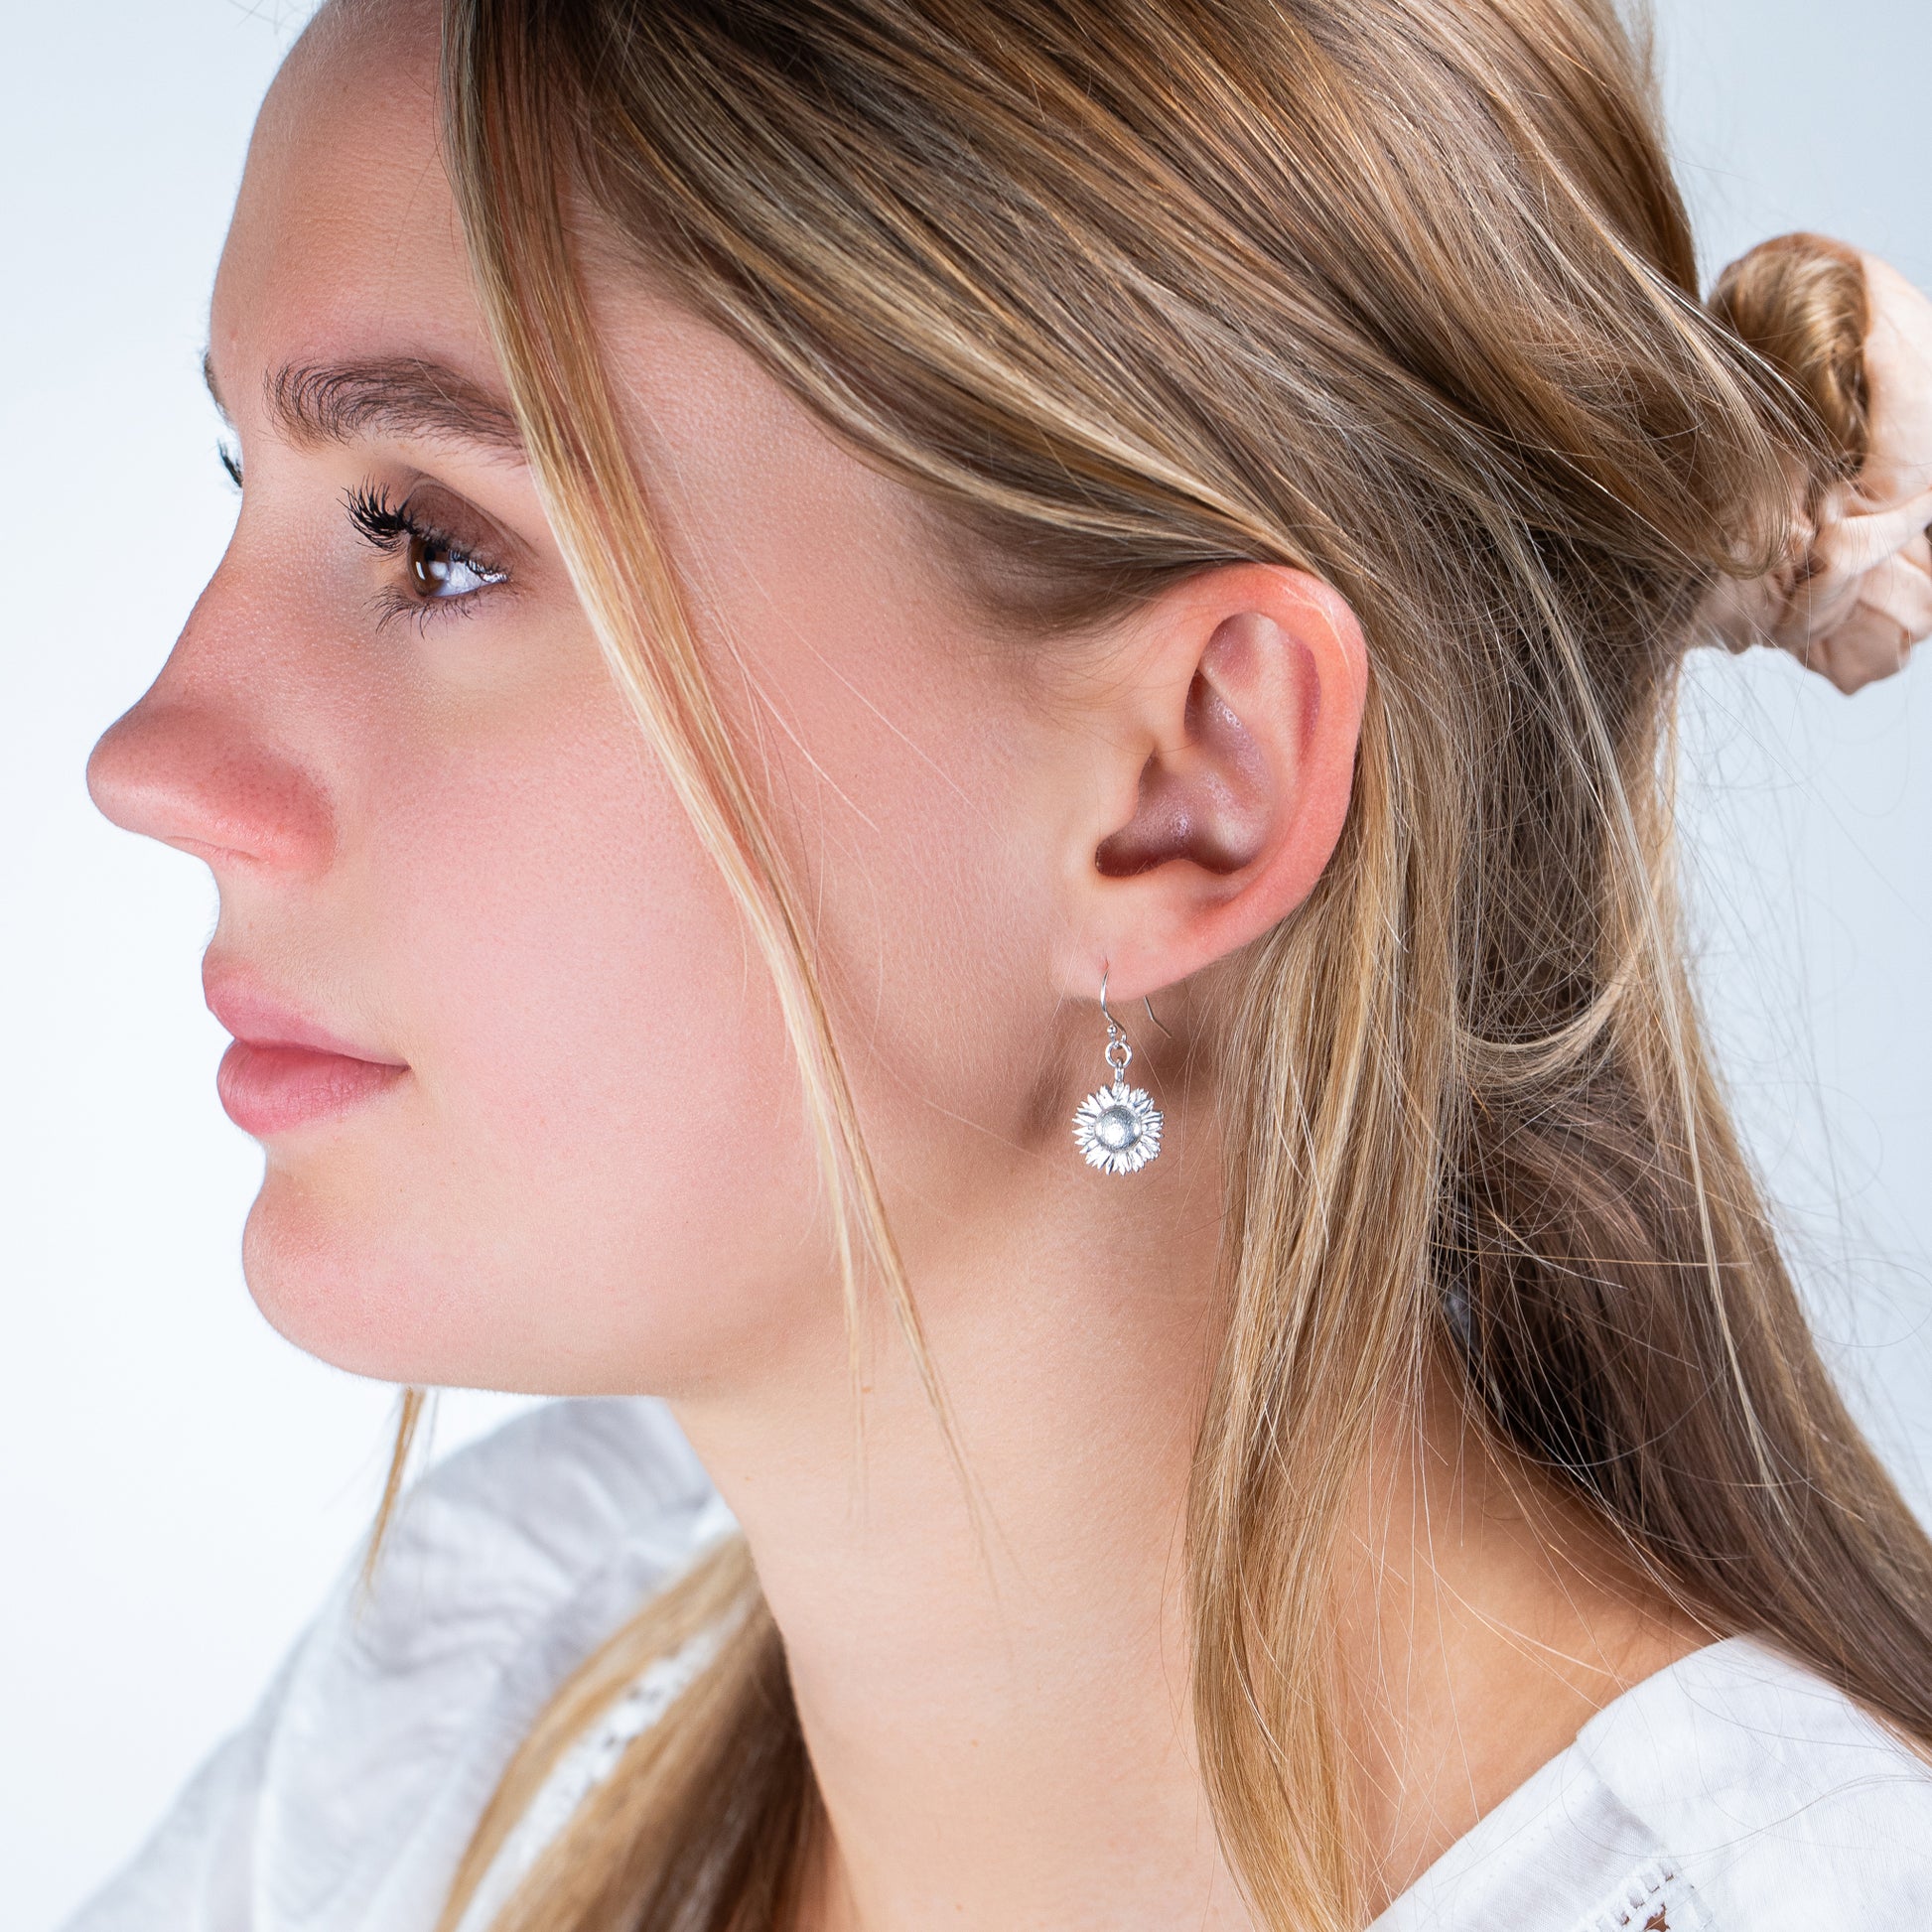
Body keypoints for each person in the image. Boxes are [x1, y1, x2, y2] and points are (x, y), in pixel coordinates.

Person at [67, 0, 1932, 1927]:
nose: (155, 760)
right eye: (244, 486)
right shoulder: (498, 1691)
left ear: (1186, 785)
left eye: (433, 543)